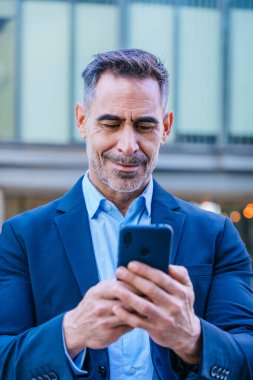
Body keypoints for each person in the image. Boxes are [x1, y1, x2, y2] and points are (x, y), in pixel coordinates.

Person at [0, 49, 252, 380]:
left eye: (144, 125)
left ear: (165, 127)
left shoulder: (216, 234)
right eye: (111, 123)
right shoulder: (21, 236)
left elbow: (247, 354)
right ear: (82, 121)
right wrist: (71, 332)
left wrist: (192, 337)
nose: (128, 145)